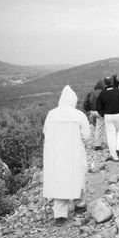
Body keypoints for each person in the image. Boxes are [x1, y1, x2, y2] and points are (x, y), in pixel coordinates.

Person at [43, 85, 92, 226]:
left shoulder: (51, 114)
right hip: (74, 152)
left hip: (56, 154)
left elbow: (45, 131)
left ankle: (60, 215)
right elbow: (87, 136)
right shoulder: (78, 115)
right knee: (77, 177)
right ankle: (79, 205)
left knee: (59, 181)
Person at [96, 77, 119, 161]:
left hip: (108, 116)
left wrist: (103, 114)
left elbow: (98, 106)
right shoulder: (118, 91)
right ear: (112, 82)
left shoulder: (102, 93)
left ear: (105, 83)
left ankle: (114, 156)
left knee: (110, 135)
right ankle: (118, 148)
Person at [83, 79, 106, 150]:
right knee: (100, 128)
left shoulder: (90, 92)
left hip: (91, 112)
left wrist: (88, 110)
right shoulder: (103, 92)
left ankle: (92, 142)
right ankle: (98, 145)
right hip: (99, 112)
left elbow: (85, 103)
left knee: (93, 127)